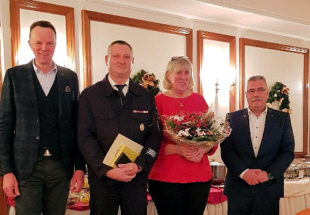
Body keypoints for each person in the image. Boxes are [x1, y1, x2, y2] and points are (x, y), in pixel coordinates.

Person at [0, 20, 85, 215]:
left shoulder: (69, 77)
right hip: (26, 168)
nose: (44, 48)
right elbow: (4, 126)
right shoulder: (14, 76)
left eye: (50, 43)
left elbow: (76, 126)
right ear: (29, 43)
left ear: (56, 44)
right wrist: (6, 171)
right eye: (39, 43)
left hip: (60, 168)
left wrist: (79, 168)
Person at [78, 40, 161, 215]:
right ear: (107, 59)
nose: (121, 61)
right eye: (116, 56)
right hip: (103, 181)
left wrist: (139, 165)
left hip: (135, 178)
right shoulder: (90, 96)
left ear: (132, 61)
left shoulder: (145, 96)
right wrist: (107, 170)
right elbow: (85, 139)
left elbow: (154, 137)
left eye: (126, 57)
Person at [148, 56, 217, 215]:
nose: (183, 76)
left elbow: (213, 135)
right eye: (178, 72)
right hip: (165, 178)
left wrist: (204, 149)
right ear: (168, 75)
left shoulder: (199, 100)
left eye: (187, 72)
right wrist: (177, 149)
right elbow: (149, 141)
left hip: (199, 177)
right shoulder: (157, 101)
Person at [221, 75, 295, 215]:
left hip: (268, 188)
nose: (256, 94)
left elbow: (287, 151)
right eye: (251, 90)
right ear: (246, 94)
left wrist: (269, 174)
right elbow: (226, 150)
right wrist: (244, 173)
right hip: (238, 187)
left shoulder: (282, 119)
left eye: (260, 89)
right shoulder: (232, 118)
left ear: (267, 93)